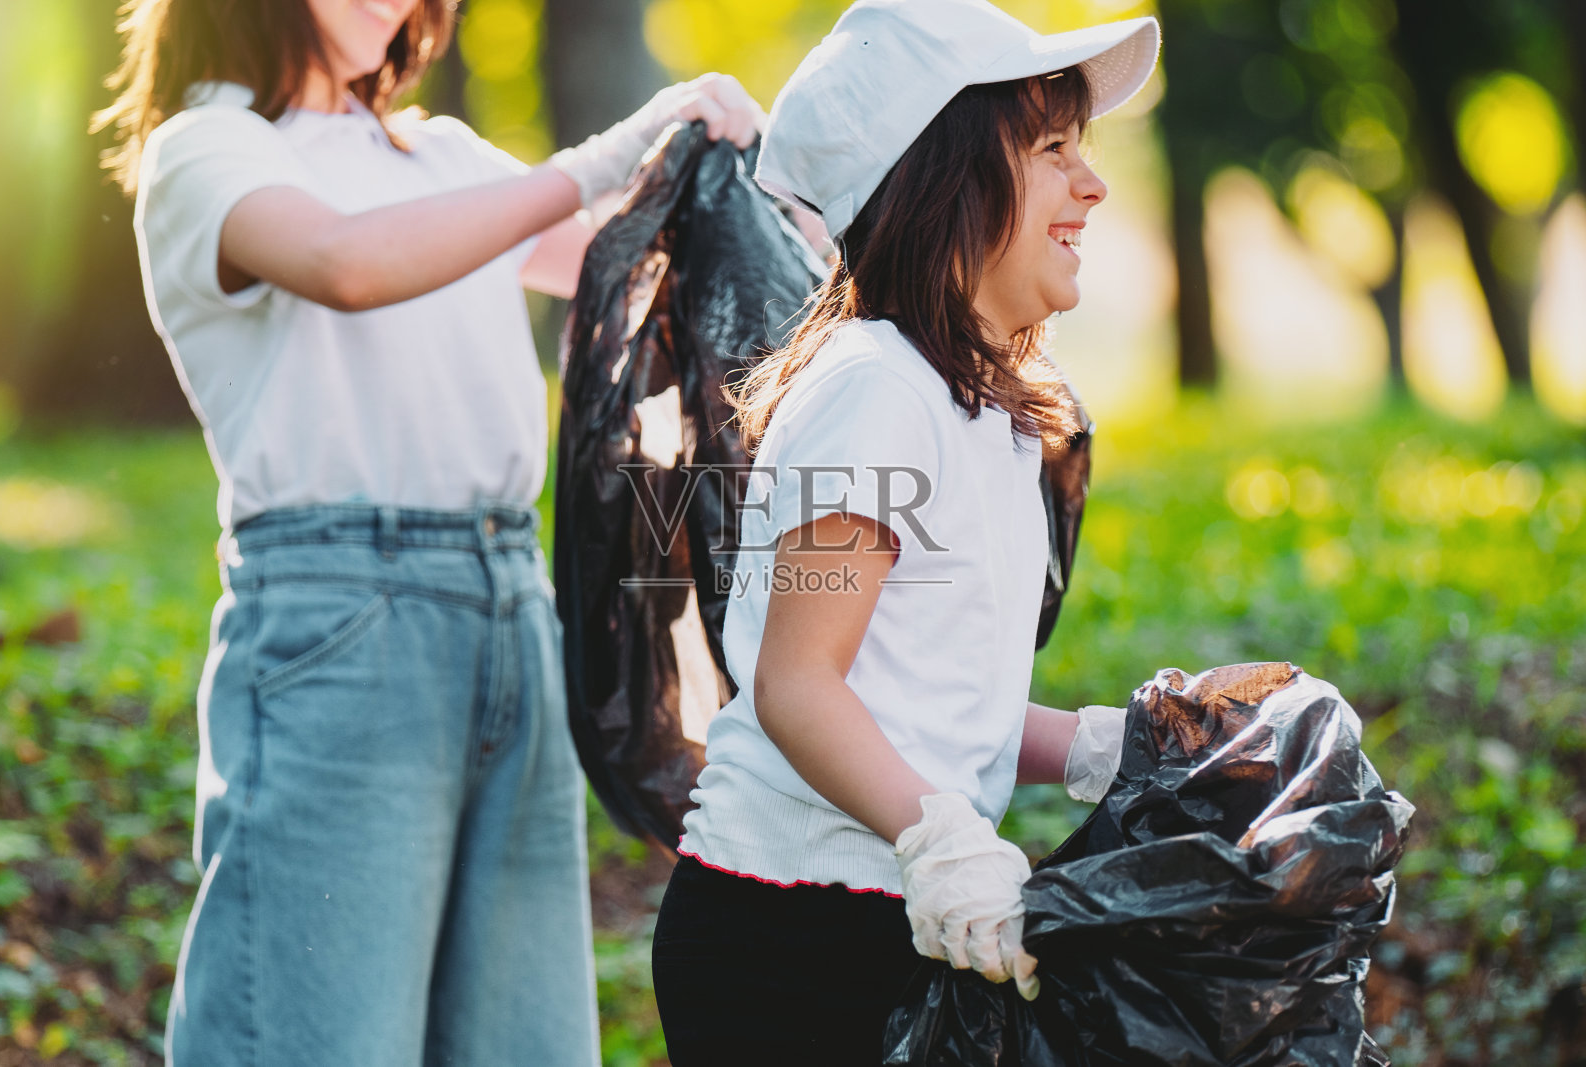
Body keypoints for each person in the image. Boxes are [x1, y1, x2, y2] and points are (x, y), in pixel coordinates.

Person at [94, 1, 761, 1063]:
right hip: (338, 621)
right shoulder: (209, 148)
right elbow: (346, 263)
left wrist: (751, 168)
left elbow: (634, 266)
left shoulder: (441, 154)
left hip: (510, 606)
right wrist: (601, 157)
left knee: (520, 1040)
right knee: (320, 1036)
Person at [649, 1, 1161, 1063]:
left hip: (900, 907)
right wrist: (940, 837)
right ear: (945, 183)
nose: (1093, 184)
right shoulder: (875, 389)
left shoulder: (991, 415)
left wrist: (1100, 748)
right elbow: (800, 684)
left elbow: (923, 692)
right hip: (784, 928)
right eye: (1052, 149)